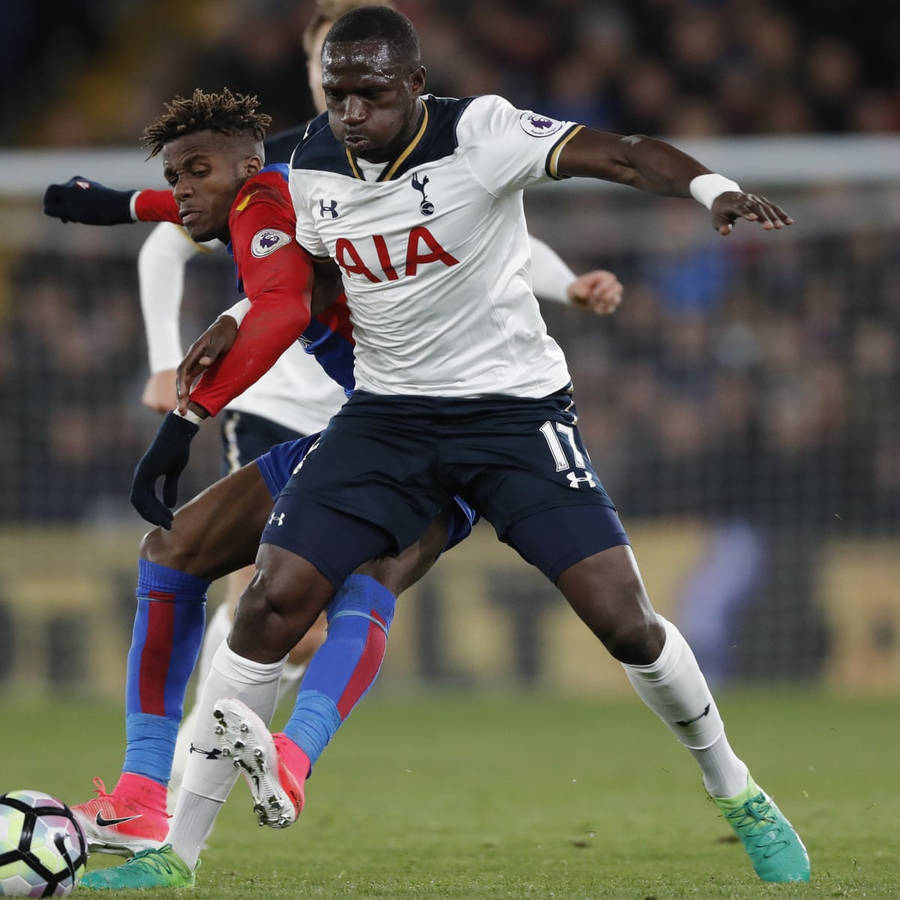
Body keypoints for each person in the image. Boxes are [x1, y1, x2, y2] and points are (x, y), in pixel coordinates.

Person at [81, 6, 810, 889]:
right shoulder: (305, 169)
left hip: (513, 416)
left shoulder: (484, 132)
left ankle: (736, 789)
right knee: (269, 603)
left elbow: (621, 152)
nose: (352, 113)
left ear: (416, 86)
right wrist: (213, 354)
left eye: (372, 94)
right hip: (387, 417)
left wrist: (711, 189)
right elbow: (291, 290)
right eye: (339, 94)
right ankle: (173, 857)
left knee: (626, 623)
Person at [42, 0, 623, 852]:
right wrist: (110, 207)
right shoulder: (274, 183)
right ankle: (149, 793)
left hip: (454, 424)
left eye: (189, 174)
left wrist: (181, 419)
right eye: (325, 73)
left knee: (339, 590)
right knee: (189, 560)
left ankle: (265, 766)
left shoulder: (315, 182)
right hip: (365, 429)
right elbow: (195, 206)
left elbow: (279, 302)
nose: (339, 94)